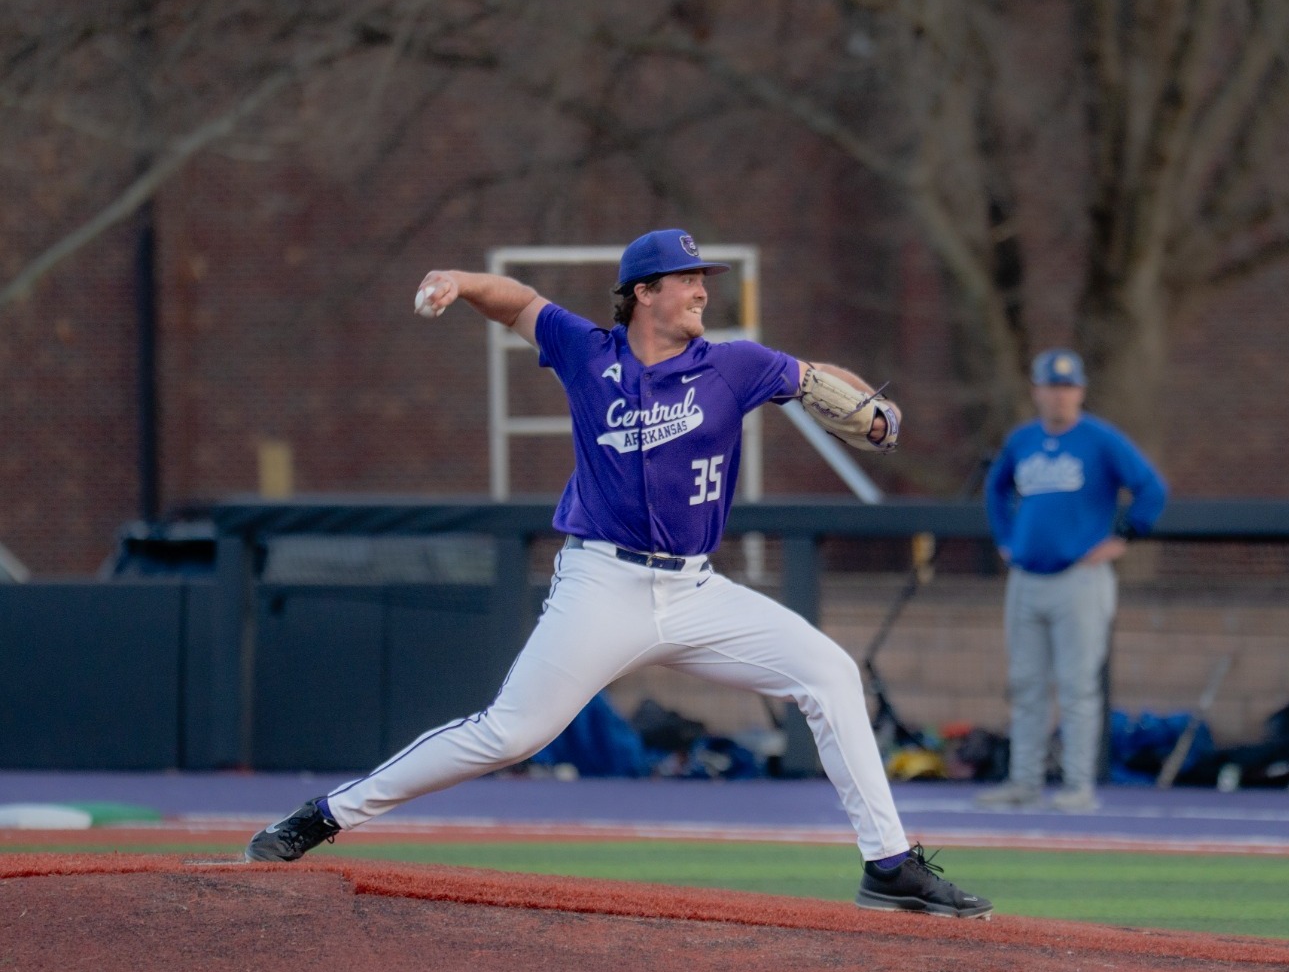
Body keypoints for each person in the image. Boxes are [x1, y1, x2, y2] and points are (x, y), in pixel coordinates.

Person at [245, 228, 991, 919]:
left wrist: (874, 411)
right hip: (602, 585)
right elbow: (521, 303)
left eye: (704, 278)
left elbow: (814, 377)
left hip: (697, 590)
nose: (702, 290)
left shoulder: (733, 364)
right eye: (686, 278)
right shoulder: (588, 353)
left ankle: (888, 864)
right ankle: (326, 814)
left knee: (828, 672)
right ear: (643, 291)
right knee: (510, 734)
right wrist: (461, 281)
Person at [979, 348, 1167, 812]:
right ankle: (1024, 782)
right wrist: (1005, 538)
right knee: (1025, 683)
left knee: (1078, 684)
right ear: (1036, 391)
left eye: (1068, 387)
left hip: (1079, 579)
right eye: (1051, 386)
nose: (1059, 396)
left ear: (1080, 391)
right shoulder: (1022, 441)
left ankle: (1077, 786)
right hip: (1026, 577)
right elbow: (995, 488)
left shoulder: (1100, 439)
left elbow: (1150, 488)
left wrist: (1123, 536)